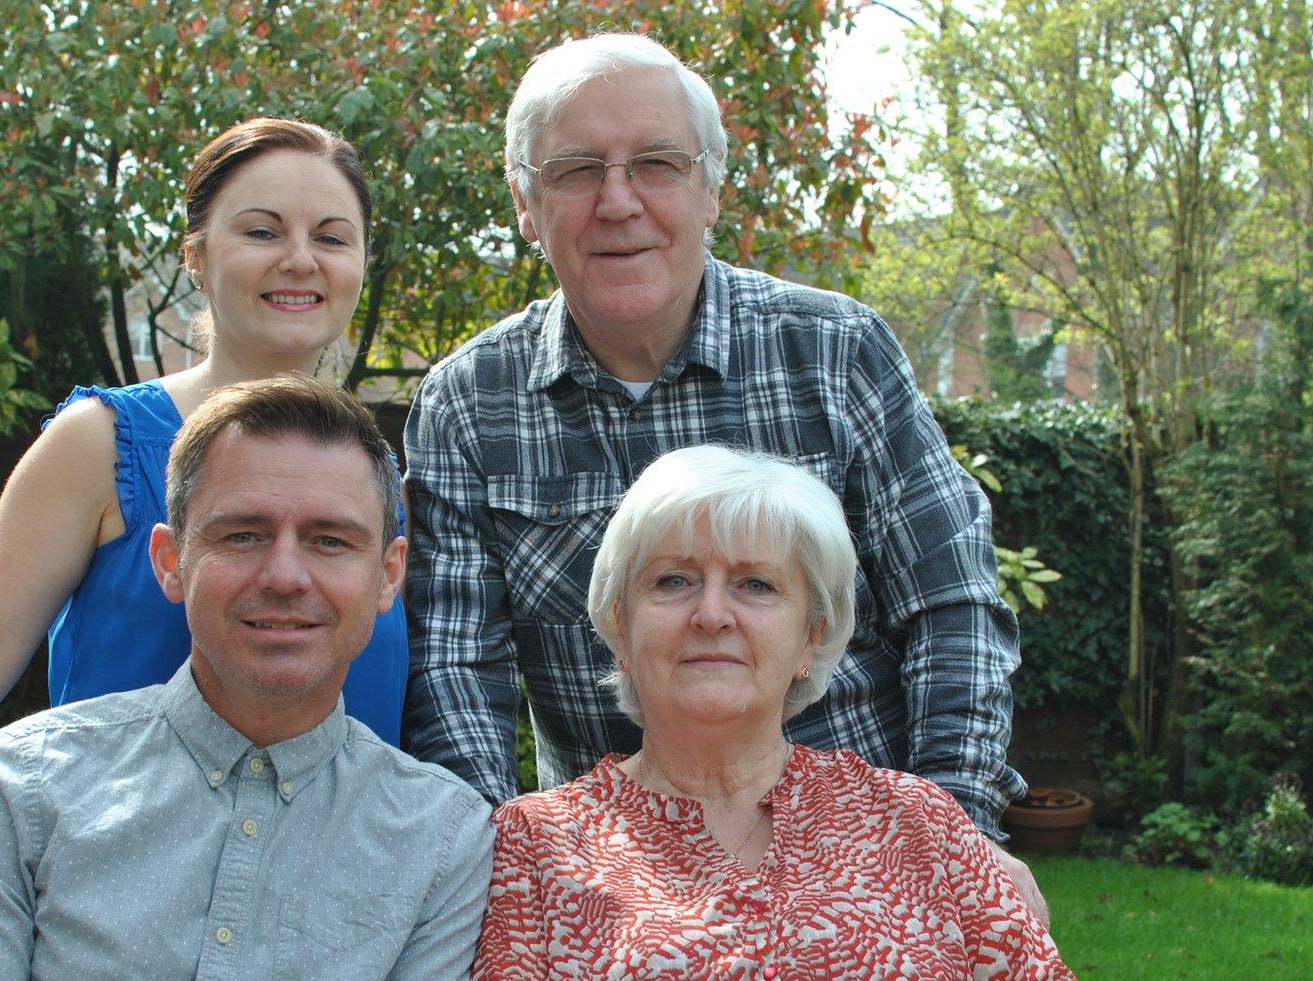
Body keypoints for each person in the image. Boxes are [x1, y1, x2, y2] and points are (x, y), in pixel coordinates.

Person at [399, 34, 1045, 914]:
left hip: (864, 863)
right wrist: (500, 888)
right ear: (524, 199)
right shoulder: (471, 403)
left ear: (710, 189)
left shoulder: (835, 353)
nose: (618, 202)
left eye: (657, 164)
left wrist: (949, 845)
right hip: (613, 889)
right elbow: (456, 670)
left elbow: (953, 605)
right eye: (577, 170)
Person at [0, 118, 408, 957]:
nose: (300, 259)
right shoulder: (99, 443)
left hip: (328, 917)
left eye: (332, 237)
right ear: (197, 256)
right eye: (261, 231)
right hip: (119, 908)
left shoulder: (375, 474)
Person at [458, 445, 1142, 981]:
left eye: (756, 585)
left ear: (811, 637)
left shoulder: (920, 822)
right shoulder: (536, 846)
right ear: (619, 627)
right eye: (673, 581)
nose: (713, 614)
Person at [0, 377, 492, 981]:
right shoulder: (17, 786)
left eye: (330, 540)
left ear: (387, 575)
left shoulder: (441, 839)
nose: (285, 575)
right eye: (242, 535)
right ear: (172, 562)